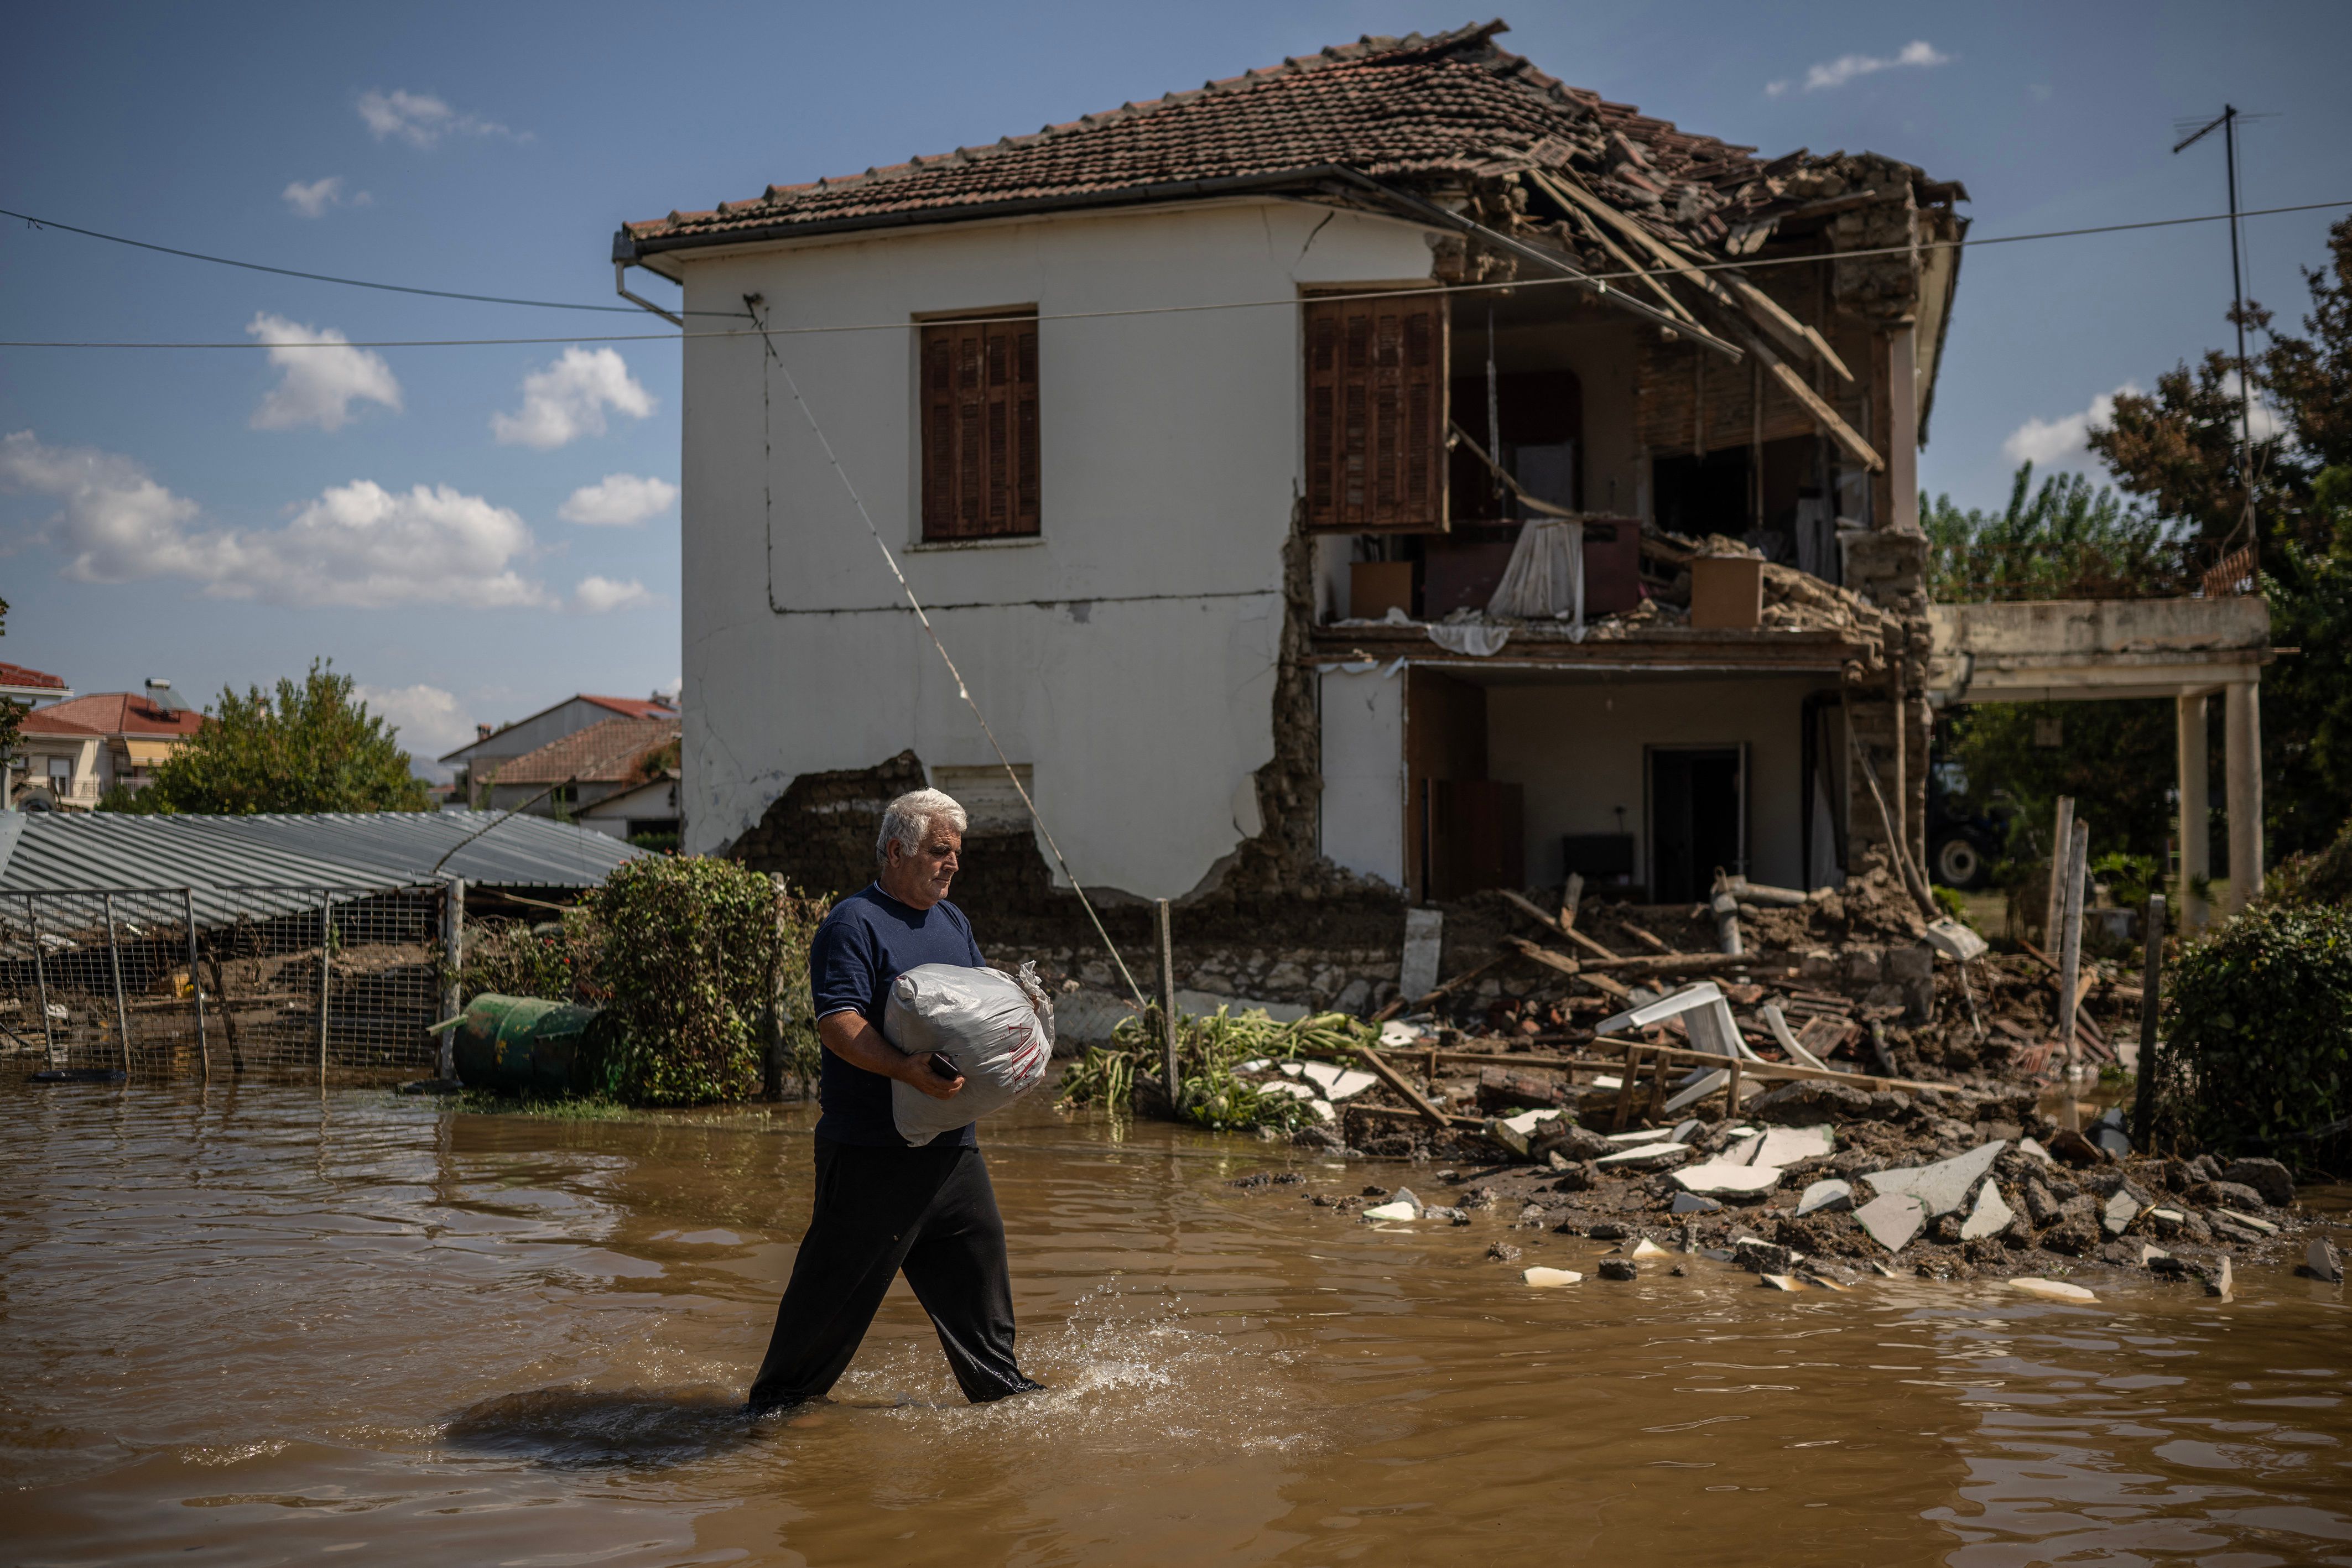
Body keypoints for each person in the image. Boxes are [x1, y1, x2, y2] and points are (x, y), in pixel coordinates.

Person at [746, 787, 1042, 1424]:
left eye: (956, 852)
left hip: (951, 1151)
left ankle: (1006, 1401)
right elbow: (839, 1024)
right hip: (871, 1153)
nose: (952, 863)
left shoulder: (953, 922)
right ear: (896, 851)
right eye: (939, 850)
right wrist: (905, 1069)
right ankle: (771, 1420)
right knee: (830, 1306)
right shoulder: (852, 924)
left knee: (980, 1278)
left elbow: (982, 1009)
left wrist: (1022, 1027)